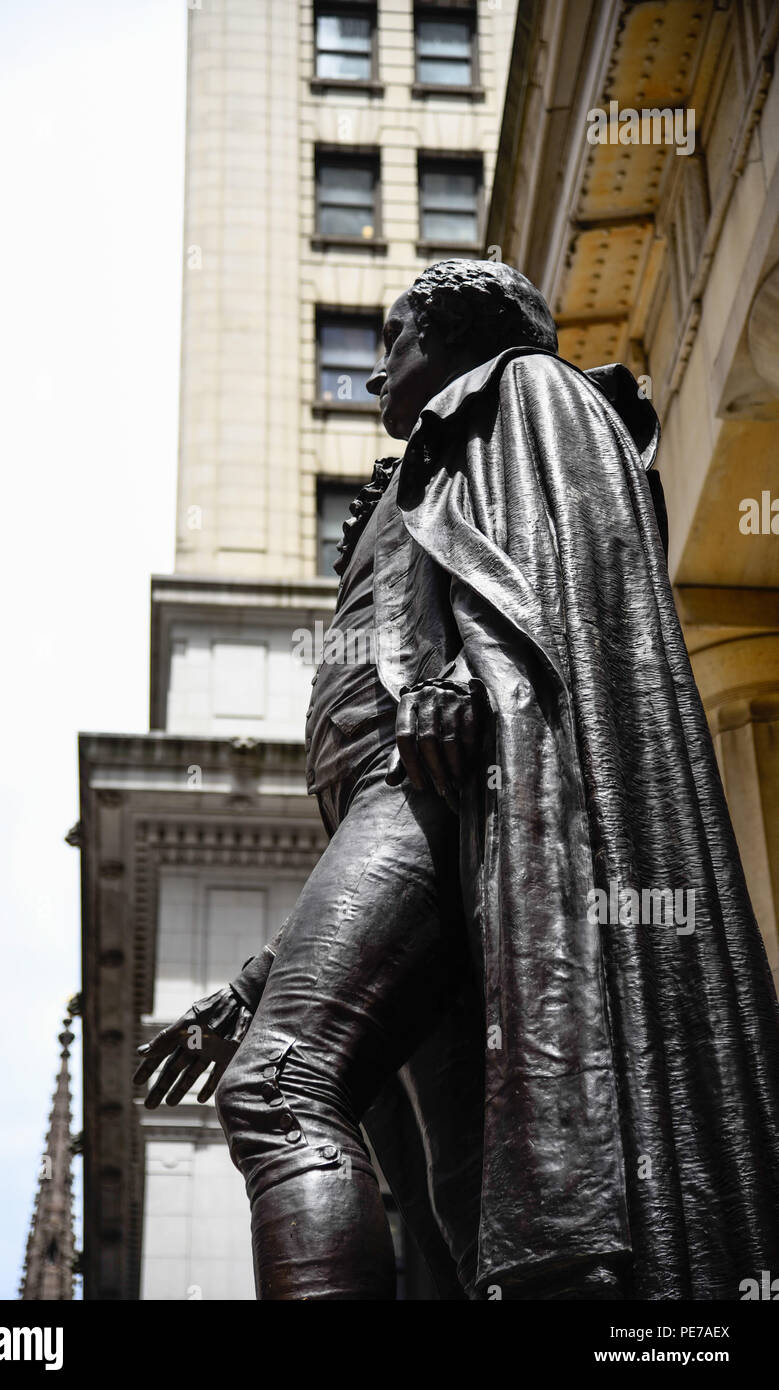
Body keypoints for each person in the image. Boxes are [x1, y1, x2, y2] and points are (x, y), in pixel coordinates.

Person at [134, 260, 779, 1301]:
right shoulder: (428, 462)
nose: (374, 367)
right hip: (435, 817)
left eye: (394, 336)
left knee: (279, 1084)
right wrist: (253, 982)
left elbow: (566, 583)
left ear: (455, 330)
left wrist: (473, 678)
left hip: (457, 783)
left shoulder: (527, 394)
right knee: (477, 1206)